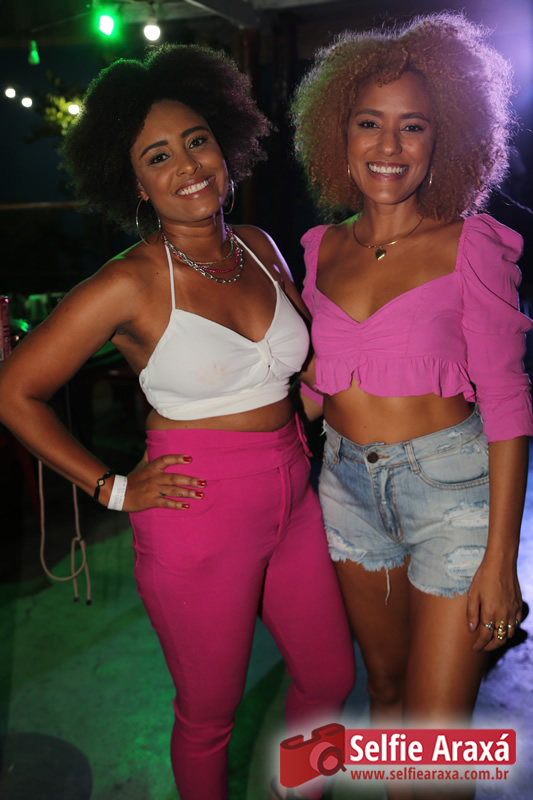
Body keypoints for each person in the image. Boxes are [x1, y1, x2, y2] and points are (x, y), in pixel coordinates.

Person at [0, 45, 355, 800]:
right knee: (208, 717)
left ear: (225, 145)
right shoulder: (127, 283)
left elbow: (302, 376)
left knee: (328, 678)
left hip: (294, 495)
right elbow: (14, 391)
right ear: (135, 182)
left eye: (197, 141)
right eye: (158, 156)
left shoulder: (258, 247)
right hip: (197, 516)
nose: (187, 165)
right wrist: (112, 488)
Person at [291, 12, 533, 798]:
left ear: (443, 139)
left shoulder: (473, 245)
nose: (388, 146)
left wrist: (500, 560)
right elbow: (312, 390)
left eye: (413, 126)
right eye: (369, 123)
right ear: (338, 135)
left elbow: (507, 405)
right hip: (346, 492)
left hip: (450, 497)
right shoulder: (318, 250)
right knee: (384, 688)